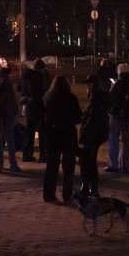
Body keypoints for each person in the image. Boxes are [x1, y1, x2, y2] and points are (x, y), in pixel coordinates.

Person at [42, 75, 81, 203]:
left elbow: (45, 118)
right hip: (68, 135)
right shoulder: (71, 98)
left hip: (52, 135)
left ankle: (49, 195)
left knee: (51, 167)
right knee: (68, 168)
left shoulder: (48, 98)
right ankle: (67, 194)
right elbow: (78, 117)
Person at [78, 76, 109, 196]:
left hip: (92, 135)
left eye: (88, 84)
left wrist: (85, 129)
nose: (87, 86)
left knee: (88, 161)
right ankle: (90, 186)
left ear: (93, 85)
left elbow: (93, 118)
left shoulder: (96, 97)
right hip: (96, 134)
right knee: (89, 160)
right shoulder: (97, 96)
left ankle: (89, 186)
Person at [106, 64, 129, 173]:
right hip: (127, 116)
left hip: (115, 115)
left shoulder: (117, 84)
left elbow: (110, 99)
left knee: (113, 139)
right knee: (125, 141)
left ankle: (113, 164)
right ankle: (124, 165)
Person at [20, 59, 47, 163]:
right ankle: (43, 155)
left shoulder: (25, 76)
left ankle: (27, 154)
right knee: (42, 132)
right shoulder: (38, 76)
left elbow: (20, 89)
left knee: (29, 132)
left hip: (29, 107)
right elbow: (40, 91)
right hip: (38, 106)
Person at [0, 68, 21, 172]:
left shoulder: (1, 83)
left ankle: (1, 163)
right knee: (9, 140)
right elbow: (11, 99)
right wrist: (14, 110)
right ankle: (12, 164)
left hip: (3, 114)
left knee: (1, 141)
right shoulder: (6, 83)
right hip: (6, 114)